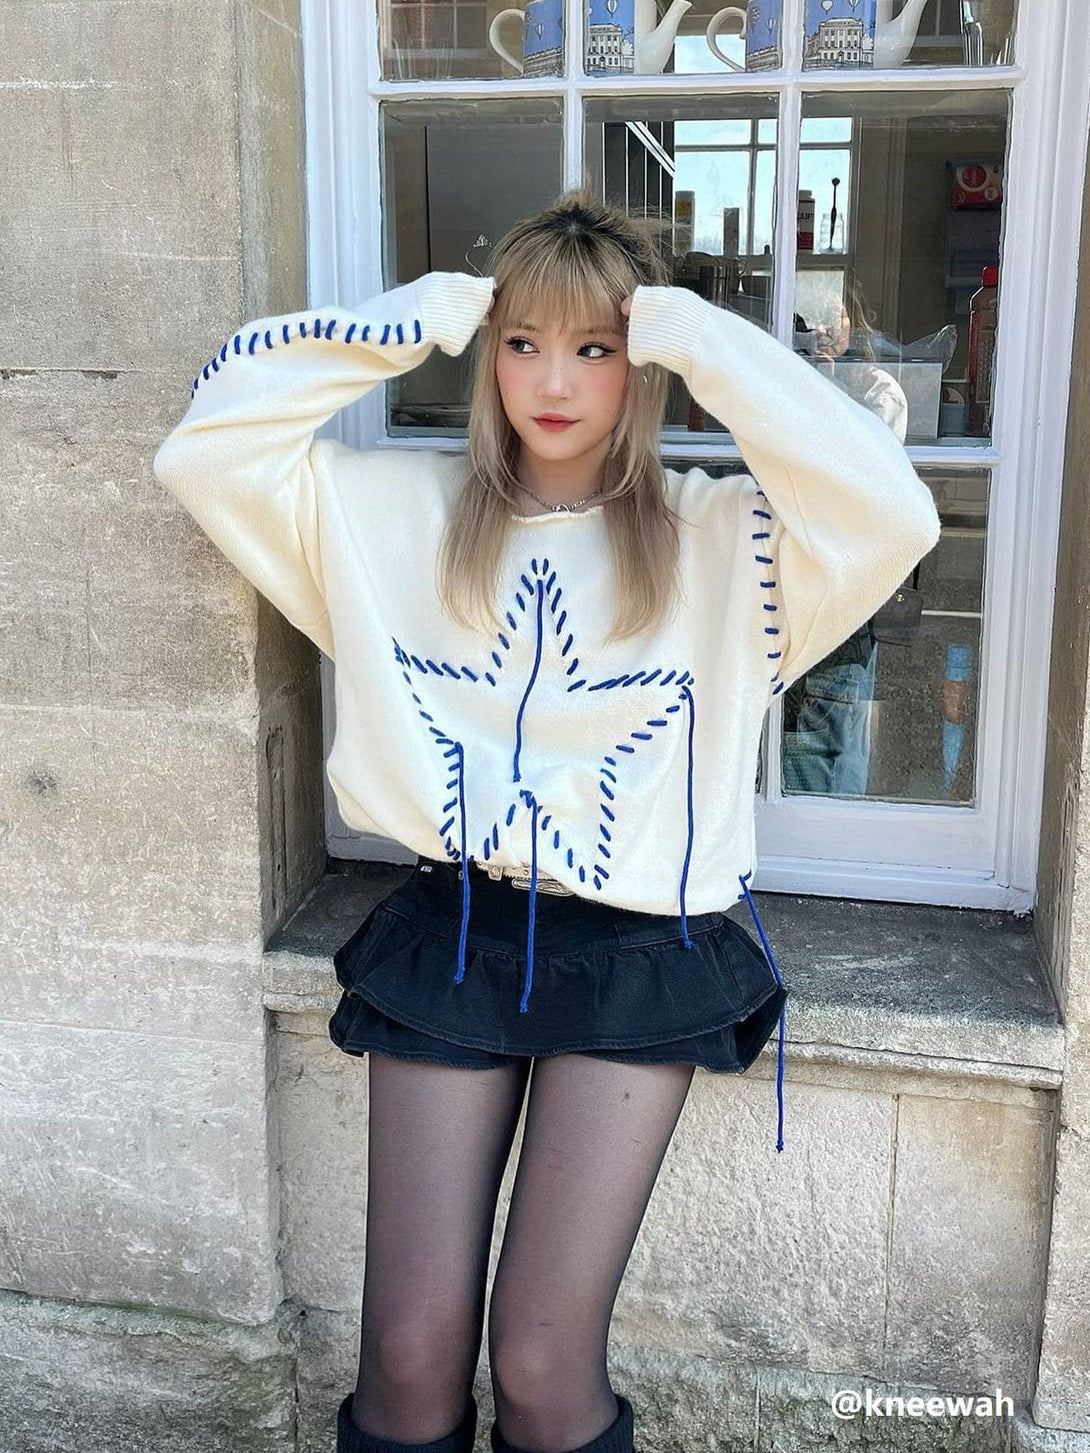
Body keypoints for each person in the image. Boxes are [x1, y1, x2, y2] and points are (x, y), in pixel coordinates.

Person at [152, 188, 940, 1453]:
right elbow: (205, 449)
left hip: (642, 951)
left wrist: (707, 341)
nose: (554, 381)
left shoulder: (725, 539)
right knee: (407, 1356)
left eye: (595, 346)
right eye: (522, 342)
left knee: (538, 1359)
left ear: (643, 361)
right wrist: (407, 321)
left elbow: (891, 511)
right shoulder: (386, 517)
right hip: (455, 931)